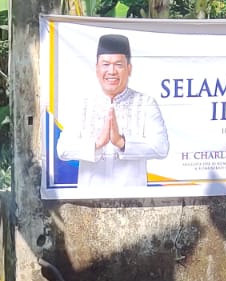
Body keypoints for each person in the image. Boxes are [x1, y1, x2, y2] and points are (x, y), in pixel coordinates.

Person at [55, 33, 170, 192]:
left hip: (132, 200)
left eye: (118, 64)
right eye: (105, 64)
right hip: (90, 201)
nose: (112, 71)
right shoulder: (82, 104)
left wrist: (122, 143)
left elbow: (161, 147)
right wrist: (97, 144)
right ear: (97, 69)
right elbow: (63, 149)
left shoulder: (145, 103)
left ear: (129, 69)